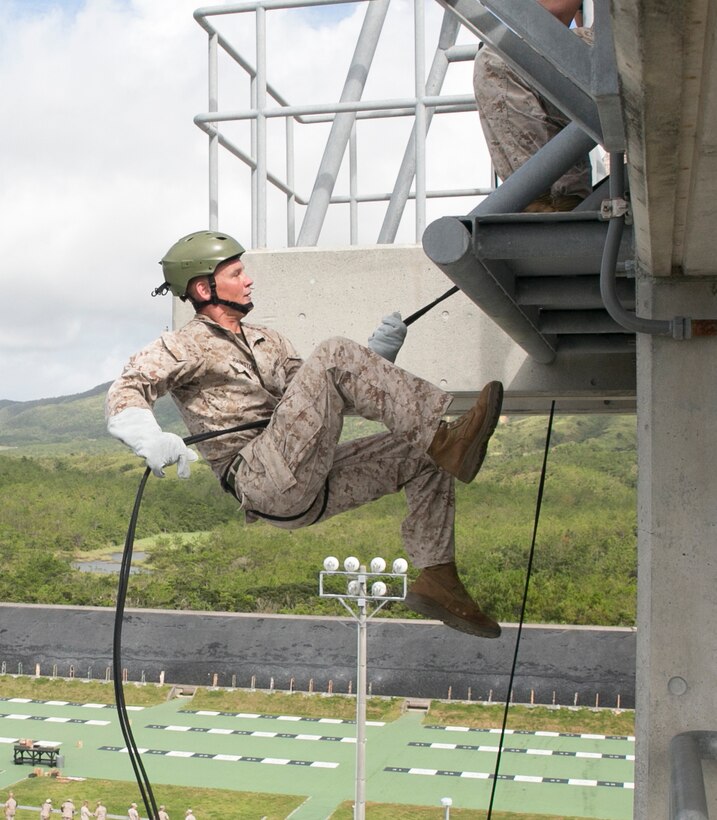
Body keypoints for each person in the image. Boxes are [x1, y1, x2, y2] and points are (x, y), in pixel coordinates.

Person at [106, 230, 504, 638]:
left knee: (422, 454)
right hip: (260, 476)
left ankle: (439, 579)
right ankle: (447, 440)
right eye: (237, 273)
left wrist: (374, 360)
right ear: (204, 288)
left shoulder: (270, 340)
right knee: (334, 353)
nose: (248, 281)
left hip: (306, 479)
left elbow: (321, 398)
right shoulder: (184, 346)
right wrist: (147, 437)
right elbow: (127, 387)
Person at [473, 0, 593, 212]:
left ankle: (537, 197)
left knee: (500, 60)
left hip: (636, 52)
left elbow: (553, 13)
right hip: (632, 53)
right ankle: (562, 199)